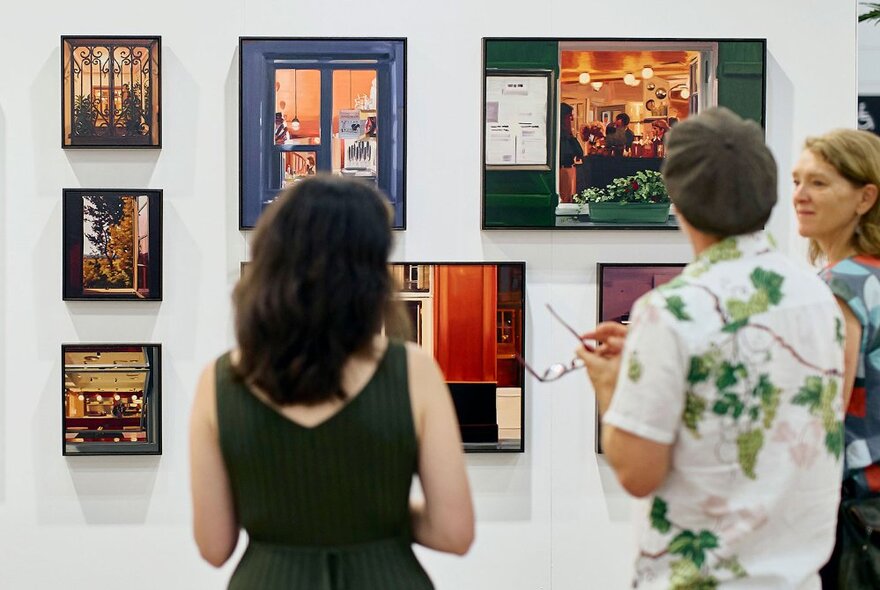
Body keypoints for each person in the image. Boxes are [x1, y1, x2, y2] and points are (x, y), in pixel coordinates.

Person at [578, 107, 845, 588]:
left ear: (675, 198)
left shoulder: (671, 311)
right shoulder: (817, 297)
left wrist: (610, 386)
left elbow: (638, 473)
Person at [189, 176, 474, 588]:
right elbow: (454, 532)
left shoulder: (220, 382)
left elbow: (214, 546)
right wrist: (377, 512)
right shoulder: (412, 371)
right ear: (370, 276)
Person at [791, 129, 880, 587]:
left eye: (819, 184)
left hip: (859, 510)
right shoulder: (870, 276)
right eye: (796, 182)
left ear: (865, 197)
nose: (800, 196)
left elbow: (824, 409)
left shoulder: (841, 285)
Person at [559, 102, 584, 203]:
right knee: (565, 198)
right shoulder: (563, 136)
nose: (572, 120)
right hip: (564, 169)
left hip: (566, 168)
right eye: (570, 117)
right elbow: (577, 152)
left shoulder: (566, 135)